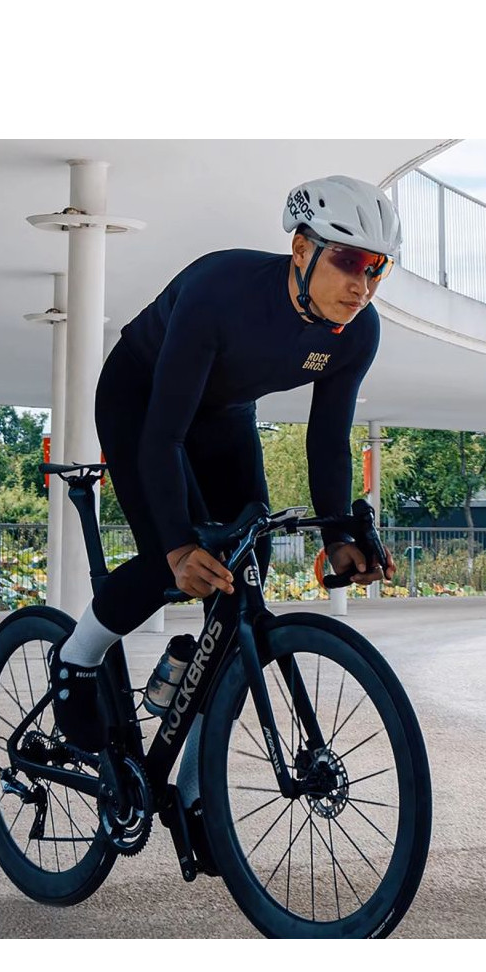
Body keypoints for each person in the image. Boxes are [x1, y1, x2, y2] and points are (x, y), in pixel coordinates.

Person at [49, 174, 399, 756]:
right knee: (175, 562)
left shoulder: (358, 331)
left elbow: (327, 441)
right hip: (142, 398)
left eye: (376, 268)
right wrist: (178, 546)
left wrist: (338, 536)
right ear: (302, 249)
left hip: (224, 413)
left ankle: (194, 783)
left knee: (243, 569)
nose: (362, 285)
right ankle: (76, 658)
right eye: (348, 260)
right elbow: (162, 436)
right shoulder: (221, 291)